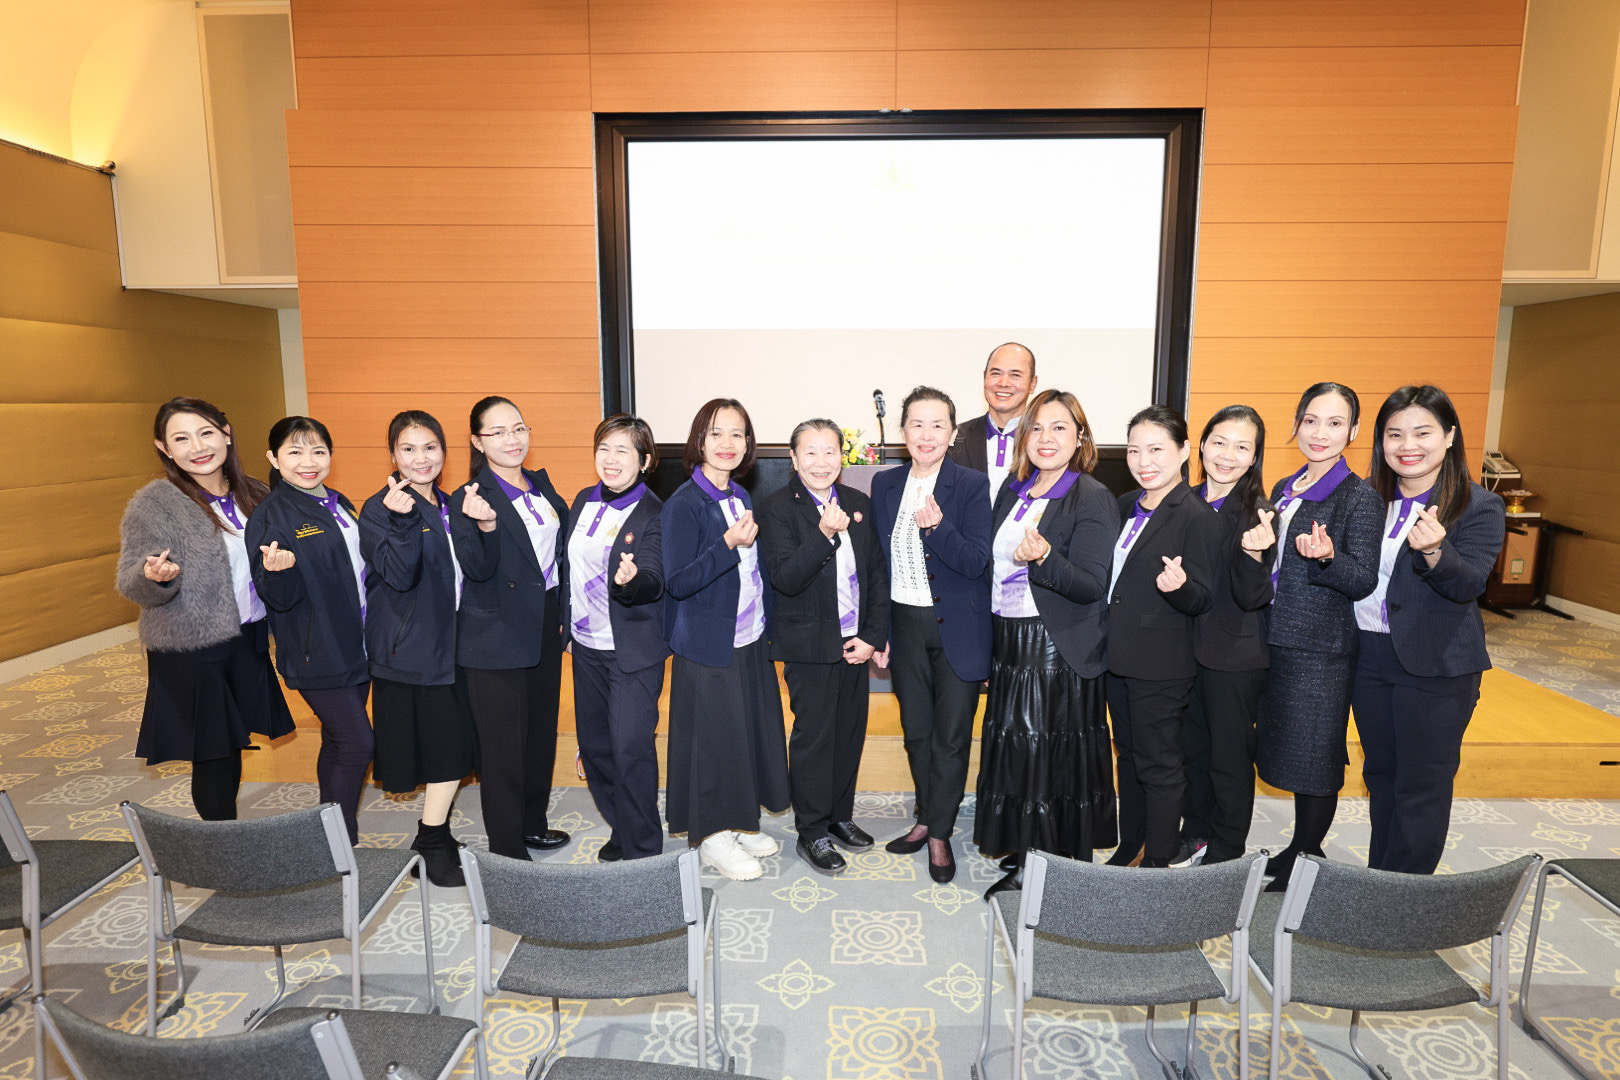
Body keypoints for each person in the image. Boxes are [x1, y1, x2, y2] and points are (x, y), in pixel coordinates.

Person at [116, 397, 294, 820]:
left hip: (247, 638)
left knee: (232, 745)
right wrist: (155, 576)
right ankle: (222, 844)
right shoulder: (155, 504)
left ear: (226, 435)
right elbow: (130, 580)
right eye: (181, 438)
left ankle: (224, 839)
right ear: (164, 448)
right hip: (192, 646)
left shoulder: (255, 493)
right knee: (213, 755)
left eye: (206, 433)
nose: (197, 446)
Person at [1352, 386, 1504, 874]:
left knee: (1421, 785)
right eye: (1394, 434)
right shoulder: (1366, 498)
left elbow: (1469, 584)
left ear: (1449, 436)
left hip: (1436, 665)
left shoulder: (1477, 505)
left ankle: (1406, 896)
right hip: (1370, 656)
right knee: (1382, 775)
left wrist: (1437, 551)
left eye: (1422, 433)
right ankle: (1381, 881)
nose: (1407, 445)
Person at [975, 390, 1119, 896]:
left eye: (1059, 428)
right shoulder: (1015, 490)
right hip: (1010, 637)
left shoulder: (1091, 496)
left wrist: (1044, 559)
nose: (1046, 438)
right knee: (1016, 749)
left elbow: (1091, 584)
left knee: (1043, 757)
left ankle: (1044, 863)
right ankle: (1024, 844)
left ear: (1080, 437)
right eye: (1036, 427)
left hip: (1055, 646)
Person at [1251, 382, 1384, 890]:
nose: (1320, 433)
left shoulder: (1360, 497)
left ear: (1353, 431)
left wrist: (1328, 557)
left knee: (1315, 754)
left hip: (1321, 646)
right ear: (1296, 424)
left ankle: (1306, 852)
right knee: (1285, 744)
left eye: (1334, 423)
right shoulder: (1286, 485)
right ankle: (1298, 848)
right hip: (1274, 634)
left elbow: (1363, 579)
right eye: (1311, 420)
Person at [661, 398, 790, 880]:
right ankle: (711, 835)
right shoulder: (683, 504)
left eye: (737, 434)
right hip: (708, 643)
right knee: (712, 741)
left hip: (748, 636)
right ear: (699, 440)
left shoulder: (738, 494)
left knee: (743, 732)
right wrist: (727, 545)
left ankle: (738, 819)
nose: (727, 443)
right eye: (716, 433)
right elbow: (678, 581)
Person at [759, 418, 890, 876]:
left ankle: (838, 815)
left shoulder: (857, 503)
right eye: (810, 452)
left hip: (855, 640)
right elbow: (786, 578)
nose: (821, 462)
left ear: (841, 457)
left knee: (849, 732)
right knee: (815, 738)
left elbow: (876, 573)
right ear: (794, 459)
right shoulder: (777, 508)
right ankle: (811, 830)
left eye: (829, 451)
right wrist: (823, 535)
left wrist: (873, 635)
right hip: (809, 644)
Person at [872, 386, 991, 884]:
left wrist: (939, 529)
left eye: (937, 424)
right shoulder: (885, 484)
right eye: (917, 424)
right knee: (917, 731)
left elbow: (976, 561)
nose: (926, 434)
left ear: (953, 432)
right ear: (903, 432)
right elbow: (879, 566)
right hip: (904, 625)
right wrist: (879, 631)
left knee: (951, 736)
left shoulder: (971, 485)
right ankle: (926, 816)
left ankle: (939, 832)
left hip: (958, 630)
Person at [448, 396, 571, 860]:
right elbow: (477, 570)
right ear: (478, 442)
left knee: (539, 734)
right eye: (497, 432)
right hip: (494, 635)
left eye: (518, 428)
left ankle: (532, 824)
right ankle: (506, 846)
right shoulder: (470, 497)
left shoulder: (541, 486)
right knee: (503, 747)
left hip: (542, 622)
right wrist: (487, 526)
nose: (511, 439)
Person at [358, 410, 476, 886]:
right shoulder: (380, 507)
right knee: (444, 751)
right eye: (408, 449)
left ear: (444, 451)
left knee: (452, 747)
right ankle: (430, 841)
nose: (420, 458)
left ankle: (436, 834)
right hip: (411, 649)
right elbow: (399, 575)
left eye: (430, 447)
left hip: (450, 643)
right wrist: (403, 521)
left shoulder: (449, 502)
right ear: (393, 456)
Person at [246, 416, 371, 845]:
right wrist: (277, 573)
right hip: (316, 651)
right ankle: (341, 842)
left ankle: (327, 828)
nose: (308, 461)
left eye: (318, 451)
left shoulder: (338, 503)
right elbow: (276, 597)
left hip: (356, 642)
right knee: (357, 744)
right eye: (295, 452)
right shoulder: (271, 515)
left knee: (338, 741)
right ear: (273, 458)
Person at [1103, 405, 1217, 868]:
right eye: (1134, 450)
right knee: (1129, 758)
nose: (1143, 461)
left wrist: (1180, 587)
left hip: (1162, 663)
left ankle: (1158, 861)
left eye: (1156, 449)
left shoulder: (1197, 516)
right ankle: (1131, 845)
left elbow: (1204, 598)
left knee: (1160, 765)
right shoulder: (1125, 504)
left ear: (1184, 451)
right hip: (1117, 656)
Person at [564, 414, 669, 862]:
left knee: (630, 748)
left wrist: (630, 582)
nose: (610, 459)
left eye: (623, 450)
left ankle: (643, 850)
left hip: (631, 651)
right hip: (585, 647)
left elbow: (654, 577)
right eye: (604, 448)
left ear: (644, 461)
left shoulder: (654, 513)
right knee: (596, 748)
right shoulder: (583, 500)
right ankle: (622, 827)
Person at [1175, 405, 1276, 867]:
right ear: (1201, 445)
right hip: (1181, 650)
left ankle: (1227, 849)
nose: (1227, 455)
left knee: (1228, 759)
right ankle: (1195, 831)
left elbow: (1253, 597)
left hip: (1233, 655)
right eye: (1219, 442)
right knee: (1191, 750)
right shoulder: (1182, 499)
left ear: (1254, 457)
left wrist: (1254, 557)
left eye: (1242, 447)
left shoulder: (1259, 514)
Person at [947, 342, 1039, 502]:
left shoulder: (1045, 442)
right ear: (985, 377)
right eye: (996, 373)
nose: (1003, 383)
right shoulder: (954, 438)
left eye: (1015, 375)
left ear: (1033, 384)